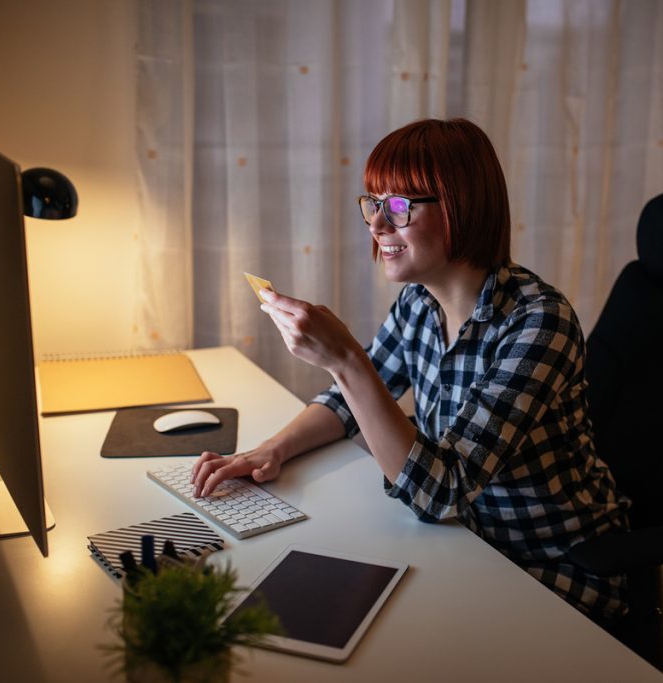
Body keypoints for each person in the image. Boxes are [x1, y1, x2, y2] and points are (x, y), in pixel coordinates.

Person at [191, 118, 629, 625]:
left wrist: (344, 357)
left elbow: (441, 492)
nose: (377, 225)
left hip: (552, 566)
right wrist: (271, 449)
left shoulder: (538, 323)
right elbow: (346, 401)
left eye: (400, 206)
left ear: (461, 207)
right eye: (373, 203)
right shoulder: (418, 302)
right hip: (462, 542)